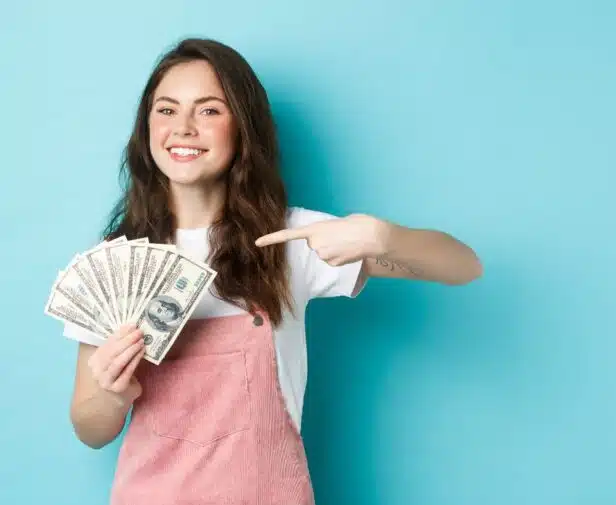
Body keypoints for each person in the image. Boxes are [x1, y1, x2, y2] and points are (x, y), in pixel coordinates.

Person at [64, 37, 482, 505]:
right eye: (166, 110)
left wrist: (384, 238)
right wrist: (110, 393)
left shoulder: (292, 240)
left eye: (209, 110)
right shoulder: (114, 264)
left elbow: (462, 266)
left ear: (243, 128)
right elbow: (91, 429)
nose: (183, 127)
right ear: (146, 130)